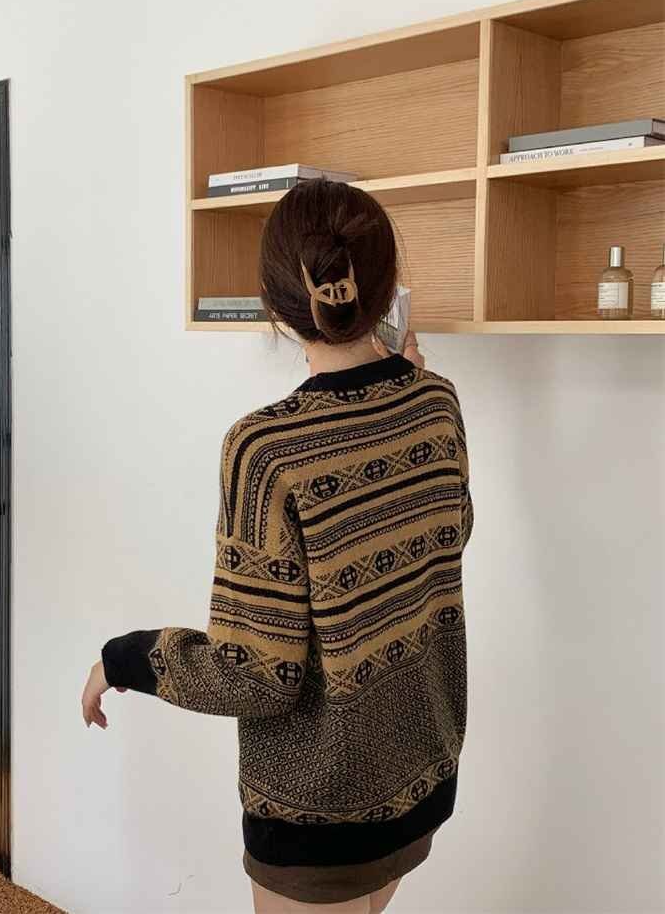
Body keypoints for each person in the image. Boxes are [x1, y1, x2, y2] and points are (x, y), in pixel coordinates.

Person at [82, 179, 473, 912]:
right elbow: (442, 537)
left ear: (275, 307)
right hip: (421, 771)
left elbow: (256, 677)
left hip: (318, 811)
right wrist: (408, 376)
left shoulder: (265, 451)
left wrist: (125, 658)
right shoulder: (435, 402)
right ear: (386, 288)